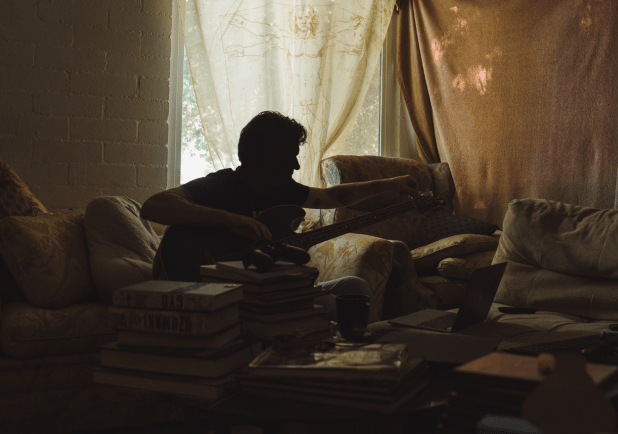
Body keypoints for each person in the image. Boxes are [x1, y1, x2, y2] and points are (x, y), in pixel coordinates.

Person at [140, 110, 419, 324]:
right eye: (291, 156)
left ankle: (369, 362)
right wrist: (227, 219)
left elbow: (335, 197)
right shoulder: (222, 184)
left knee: (354, 288)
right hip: (219, 293)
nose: (297, 165)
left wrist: (391, 184)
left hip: (266, 291)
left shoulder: (282, 190)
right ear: (266, 157)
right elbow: (154, 206)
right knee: (337, 308)